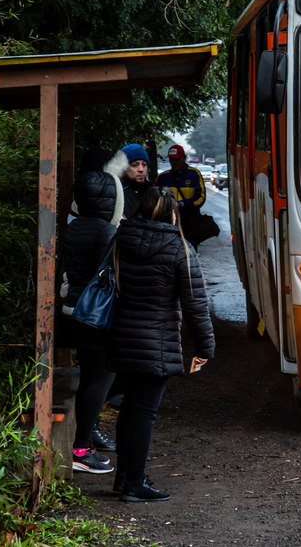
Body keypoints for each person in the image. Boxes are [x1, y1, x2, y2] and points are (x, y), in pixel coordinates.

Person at [106, 187, 215, 502]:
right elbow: (195, 305)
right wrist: (205, 347)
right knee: (144, 412)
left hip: (121, 337)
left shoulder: (120, 240)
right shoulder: (179, 247)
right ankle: (135, 484)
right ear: (172, 214)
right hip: (155, 342)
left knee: (130, 407)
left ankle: (124, 478)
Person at [61, 149, 129, 474]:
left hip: (74, 311)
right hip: (97, 316)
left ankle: (82, 442)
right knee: (101, 379)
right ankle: (81, 449)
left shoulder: (74, 227)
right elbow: (112, 279)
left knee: (89, 376)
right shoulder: (107, 233)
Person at [155, 145, 208, 247]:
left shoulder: (194, 174)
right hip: (168, 224)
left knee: (189, 254)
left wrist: (182, 204)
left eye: (176, 159)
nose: (173, 162)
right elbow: (155, 197)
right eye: (171, 159)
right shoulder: (163, 177)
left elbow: (200, 197)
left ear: (184, 158)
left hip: (190, 224)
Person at [120, 143, 151, 219]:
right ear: (124, 168)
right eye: (134, 165)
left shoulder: (152, 191)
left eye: (144, 164)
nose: (141, 169)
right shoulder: (117, 192)